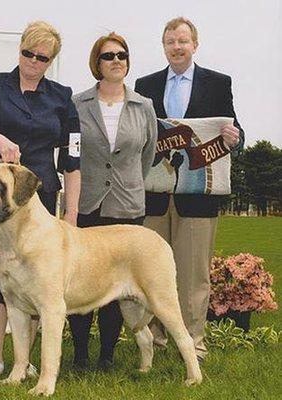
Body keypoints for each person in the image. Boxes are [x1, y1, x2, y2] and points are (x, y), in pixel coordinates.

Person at [0, 21, 81, 379]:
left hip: (38, 198)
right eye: (29, 53)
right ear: (20, 48)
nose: (34, 62)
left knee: (39, 279)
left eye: (43, 57)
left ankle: (25, 359)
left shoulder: (61, 95)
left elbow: (72, 158)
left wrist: (70, 214)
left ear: (51, 60)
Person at [134, 17, 244, 361]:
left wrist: (235, 139)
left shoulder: (217, 83)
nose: (177, 47)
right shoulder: (144, 84)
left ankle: (193, 343)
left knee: (193, 275)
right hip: (153, 197)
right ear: (163, 45)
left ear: (194, 44)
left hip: (199, 200)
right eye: (170, 41)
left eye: (183, 40)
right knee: (149, 273)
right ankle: (154, 341)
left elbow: (232, 129)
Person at [68, 33, 157, 370]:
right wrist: (72, 209)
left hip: (127, 207)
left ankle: (106, 355)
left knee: (115, 288)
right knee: (80, 283)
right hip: (87, 205)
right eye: (108, 56)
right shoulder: (77, 104)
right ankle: (79, 355)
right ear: (97, 63)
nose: (116, 60)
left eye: (122, 55)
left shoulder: (144, 106)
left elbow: (147, 155)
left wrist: (129, 183)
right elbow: (71, 154)